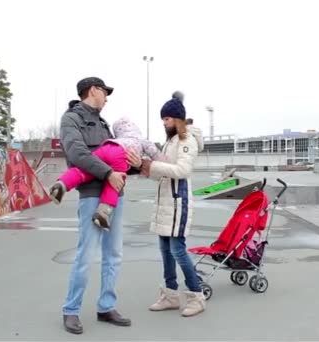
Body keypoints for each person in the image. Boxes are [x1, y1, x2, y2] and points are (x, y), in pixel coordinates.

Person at [59, 77, 141, 334]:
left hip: (115, 195)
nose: (107, 98)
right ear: (93, 90)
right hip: (92, 195)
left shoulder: (104, 123)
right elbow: (77, 155)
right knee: (85, 254)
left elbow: (116, 160)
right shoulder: (71, 119)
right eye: (105, 92)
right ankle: (70, 310)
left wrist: (135, 164)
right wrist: (108, 174)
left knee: (113, 255)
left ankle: (106, 306)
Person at [140, 96, 206, 318]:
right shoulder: (171, 141)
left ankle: (197, 296)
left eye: (166, 118)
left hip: (178, 203)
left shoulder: (186, 141)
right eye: (162, 119)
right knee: (165, 250)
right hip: (165, 202)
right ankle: (170, 295)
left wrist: (154, 166)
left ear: (177, 118)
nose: (164, 122)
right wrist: (146, 169)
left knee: (178, 250)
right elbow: (164, 173)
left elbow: (181, 171)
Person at [49, 117, 166, 228]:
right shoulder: (141, 140)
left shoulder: (118, 139)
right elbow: (155, 154)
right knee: (115, 182)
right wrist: (165, 162)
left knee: (86, 170)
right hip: (121, 155)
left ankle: (62, 184)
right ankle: (102, 213)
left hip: (107, 146)